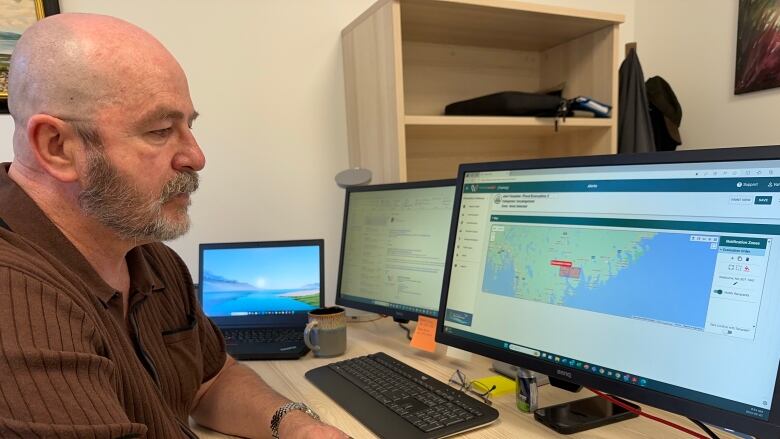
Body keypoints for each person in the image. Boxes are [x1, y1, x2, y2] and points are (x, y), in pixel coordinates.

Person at [0, 12, 347, 439]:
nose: (196, 156)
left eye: (188, 125)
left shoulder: (149, 257)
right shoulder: (15, 300)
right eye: (161, 129)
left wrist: (296, 427)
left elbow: (211, 381)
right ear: (57, 147)